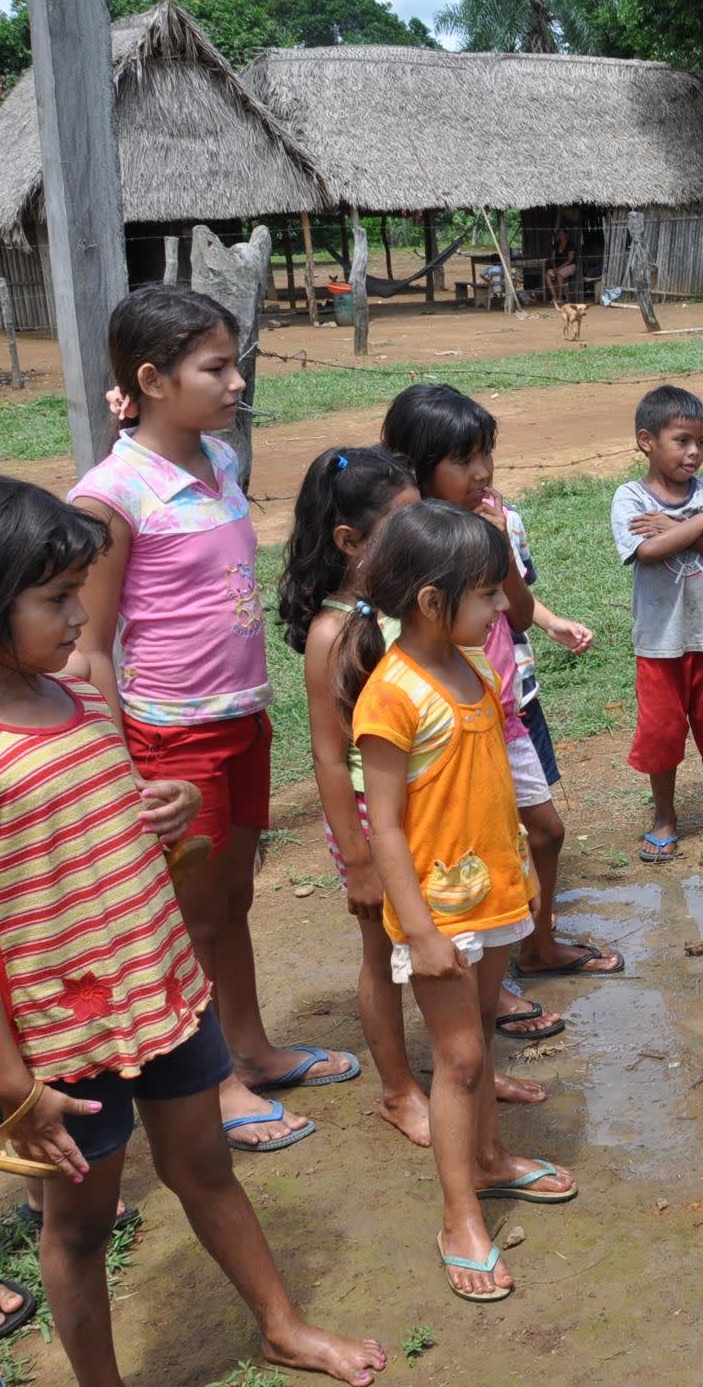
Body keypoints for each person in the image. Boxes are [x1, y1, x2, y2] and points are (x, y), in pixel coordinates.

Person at [0, 476, 386, 1386]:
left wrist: (157, 809)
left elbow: (102, 820)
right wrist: (12, 1082)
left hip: (160, 990)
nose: (82, 617)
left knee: (205, 1166)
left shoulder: (84, 699)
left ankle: (283, 1325)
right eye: (54, 599)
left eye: (80, 593)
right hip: (59, 1037)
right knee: (80, 1225)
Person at [68, 286, 355, 1151]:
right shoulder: (111, 495)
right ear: (152, 380)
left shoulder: (219, 461)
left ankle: (253, 1048)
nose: (237, 382)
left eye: (235, 364)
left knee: (234, 899)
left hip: (240, 720)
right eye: (216, 367)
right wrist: (124, 766)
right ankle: (215, 1082)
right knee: (188, 917)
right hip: (169, 739)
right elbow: (91, 643)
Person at [339, 500, 578, 1303]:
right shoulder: (392, 695)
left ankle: (490, 1159)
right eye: (485, 596)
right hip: (438, 913)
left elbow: (493, 789)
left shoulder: (475, 668)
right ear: (434, 603)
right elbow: (389, 831)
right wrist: (419, 928)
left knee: (480, 1044)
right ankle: (458, 1216)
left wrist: (520, 872)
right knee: (463, 1057)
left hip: (494, 896)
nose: (499, 609)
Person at [380, 385, 613, 991]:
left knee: (545, 830)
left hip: (511, 705)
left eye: (487, 454)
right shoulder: (410, 543)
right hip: (446, 726)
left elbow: (515, 609)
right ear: (416, 463)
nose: (482, 472)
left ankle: (536, 944)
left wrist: (499, 545)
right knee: (471, 849)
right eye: (463, 460)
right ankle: (491, 984)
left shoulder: (501, 518)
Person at [279, 446, 449, 1145]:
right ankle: (398, 1089)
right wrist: (357, 857)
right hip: (368, 822)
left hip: (428, 805)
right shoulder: (334, 632)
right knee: (382, 954)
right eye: (401, 527)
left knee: (444, 937)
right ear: (351, 543)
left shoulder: (402, 608)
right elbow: (326, 752)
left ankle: (455, 1066)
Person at [613, 386, 703, 863]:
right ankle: (665, 818)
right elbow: (647, 550)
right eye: (681, 440)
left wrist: (685, 528)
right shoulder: (629, 496)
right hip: (659, 641)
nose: (694, 452)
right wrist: (700, 525)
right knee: (661, 733)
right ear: (646, 441)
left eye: (701, 441)